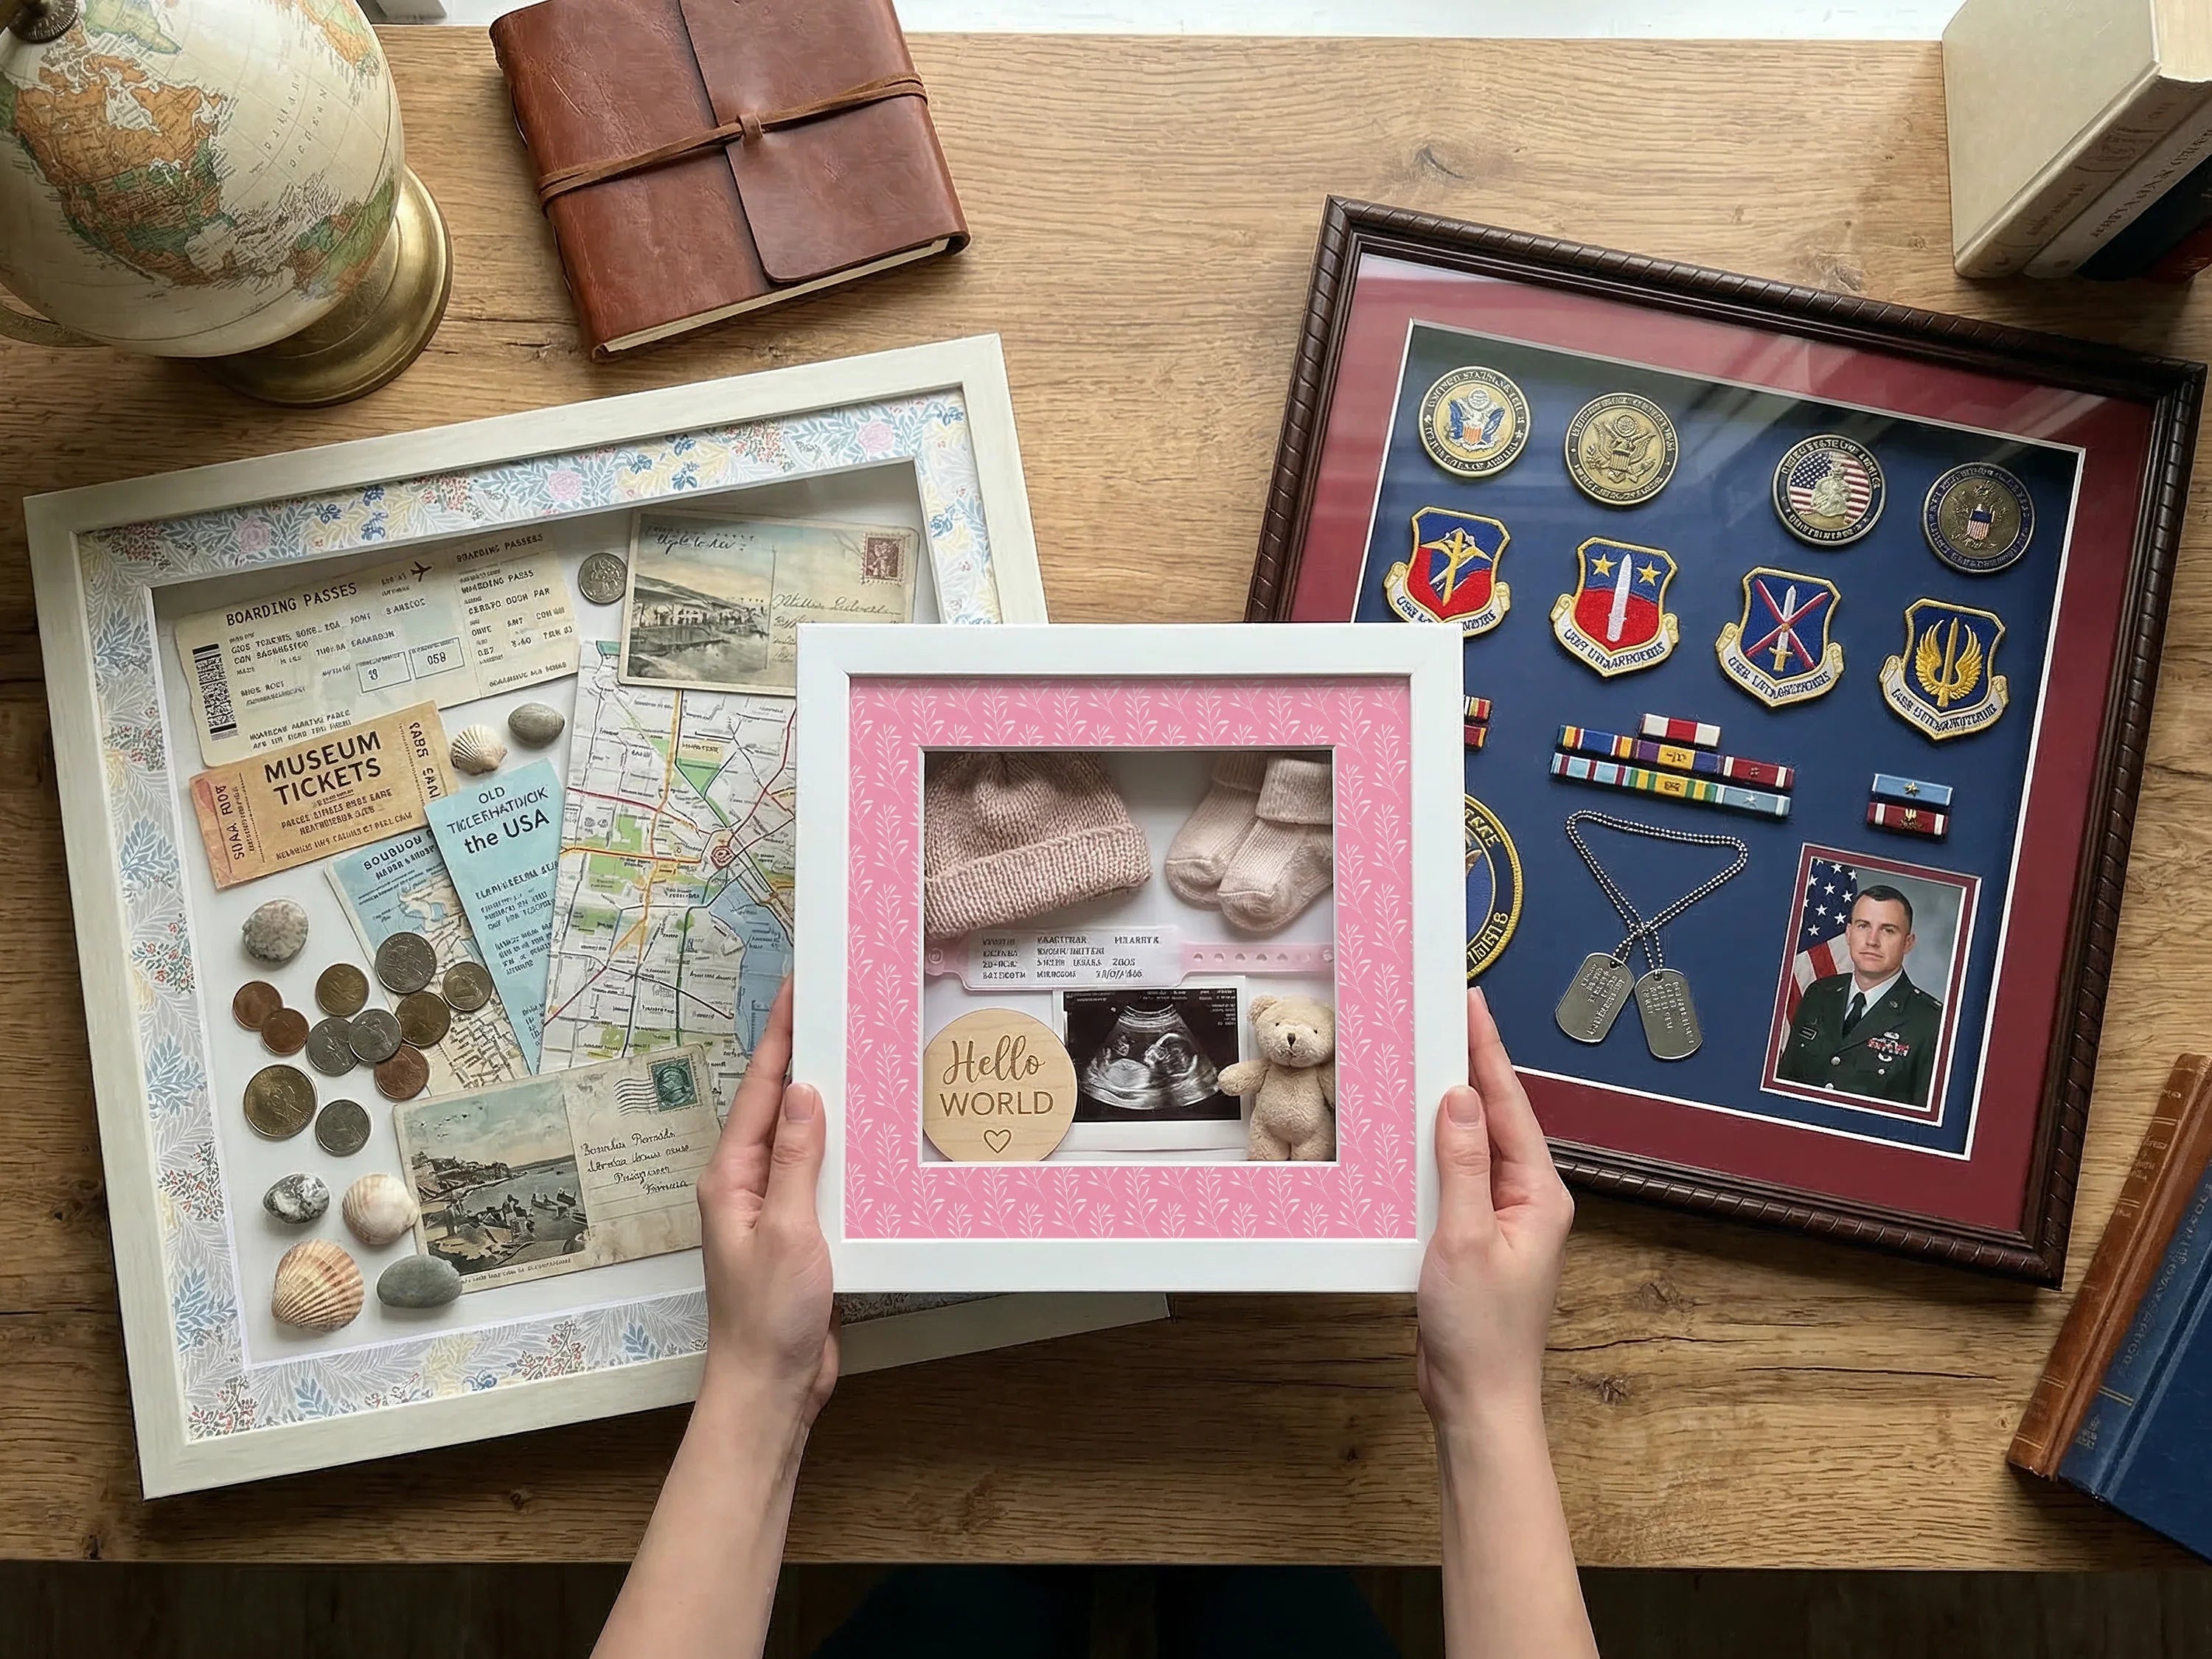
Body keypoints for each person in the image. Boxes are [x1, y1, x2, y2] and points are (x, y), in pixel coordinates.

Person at [590, 984, 1596, 1659]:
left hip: (983, 1462)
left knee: (974, 1602)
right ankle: (1140, 1569)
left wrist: (757, 1382)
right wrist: (1491, 1396)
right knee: (1269, 1596)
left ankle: (1076, 1570)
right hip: (1262, 1458)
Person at [1776, 883, 1943, 1109]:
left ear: (1908, 943)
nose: (1872, 941)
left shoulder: (1932, 1022)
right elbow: (1784, 1084)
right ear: (1848, 933)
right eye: (1863, 926)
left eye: (1888, 930)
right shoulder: (1818, 993)